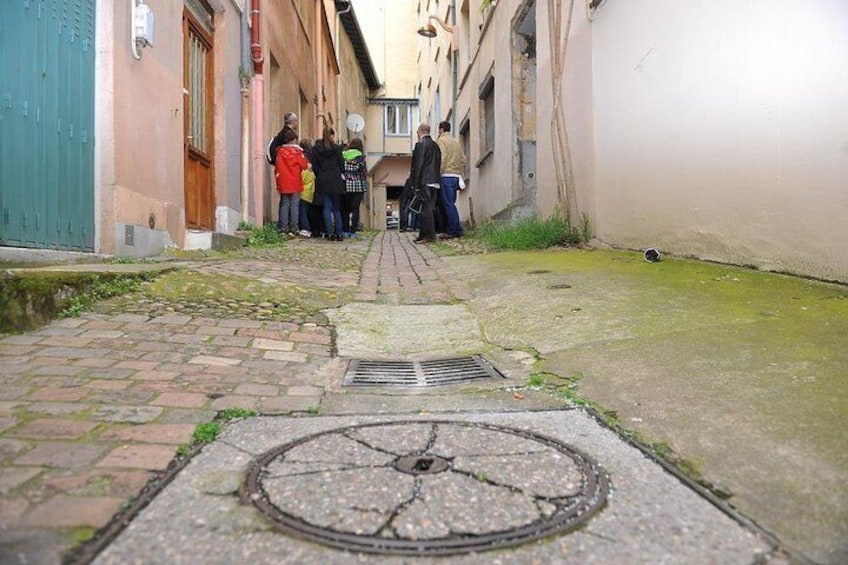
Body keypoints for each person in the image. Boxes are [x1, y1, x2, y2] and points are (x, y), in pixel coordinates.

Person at [408, 123, 441, 243]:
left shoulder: (421, 144)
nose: (416, 134)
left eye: (417, 132)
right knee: (427, 208)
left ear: (420, 131)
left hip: (425, 180)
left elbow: (418, 165)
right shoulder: (436, 146)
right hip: (435, 180)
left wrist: (415, 185)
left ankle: (430, 236)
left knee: (426, 209)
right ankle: (422, 235)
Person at [312, 126, 345, 241]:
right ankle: (339, 233)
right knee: (336, 208)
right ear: (332, 135)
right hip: (335, 179)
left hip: (323, 178)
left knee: (326, 207)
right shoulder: (337, 148)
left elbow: (314, 166)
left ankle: (329, 233)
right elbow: (342, 164)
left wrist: (319, 174)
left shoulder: (316, 149)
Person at [274, 128, 309, 235]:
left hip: (284, 180)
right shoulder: (297, 152)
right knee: (294, 204)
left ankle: (283, 227)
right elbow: (304, 166)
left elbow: (277, 166)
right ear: (294, 140)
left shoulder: (280, 151)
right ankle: (294, 227)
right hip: (295, 180)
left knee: (284, 203)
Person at [435, 120, 466, 239]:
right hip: (456, 177)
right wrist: (458, 170)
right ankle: (455, 228)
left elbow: (442, 159)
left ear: (441, 129)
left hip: (446, 176)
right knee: (451, 203)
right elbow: (463, 159)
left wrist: (439, 173)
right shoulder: (456, 142)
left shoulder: (441, 141)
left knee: (448, 204)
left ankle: (454, 230)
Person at [341, 138, 368, 237]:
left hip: (345, 185)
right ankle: (353, 231)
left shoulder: (343, 155)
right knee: (355, 209)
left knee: (345, 210)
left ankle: (345, 230)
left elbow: (341, 169)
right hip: (358, 187)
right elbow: (364, 172)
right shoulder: (361, 158)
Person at [298, 138, 316, 237]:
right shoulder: (313, 156)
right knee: (308, 211)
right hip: (310, 191)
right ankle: (309, 228)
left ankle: (305, 228)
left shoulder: (304, 161)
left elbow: (303, 177)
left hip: (304, 191)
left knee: (303, 211)